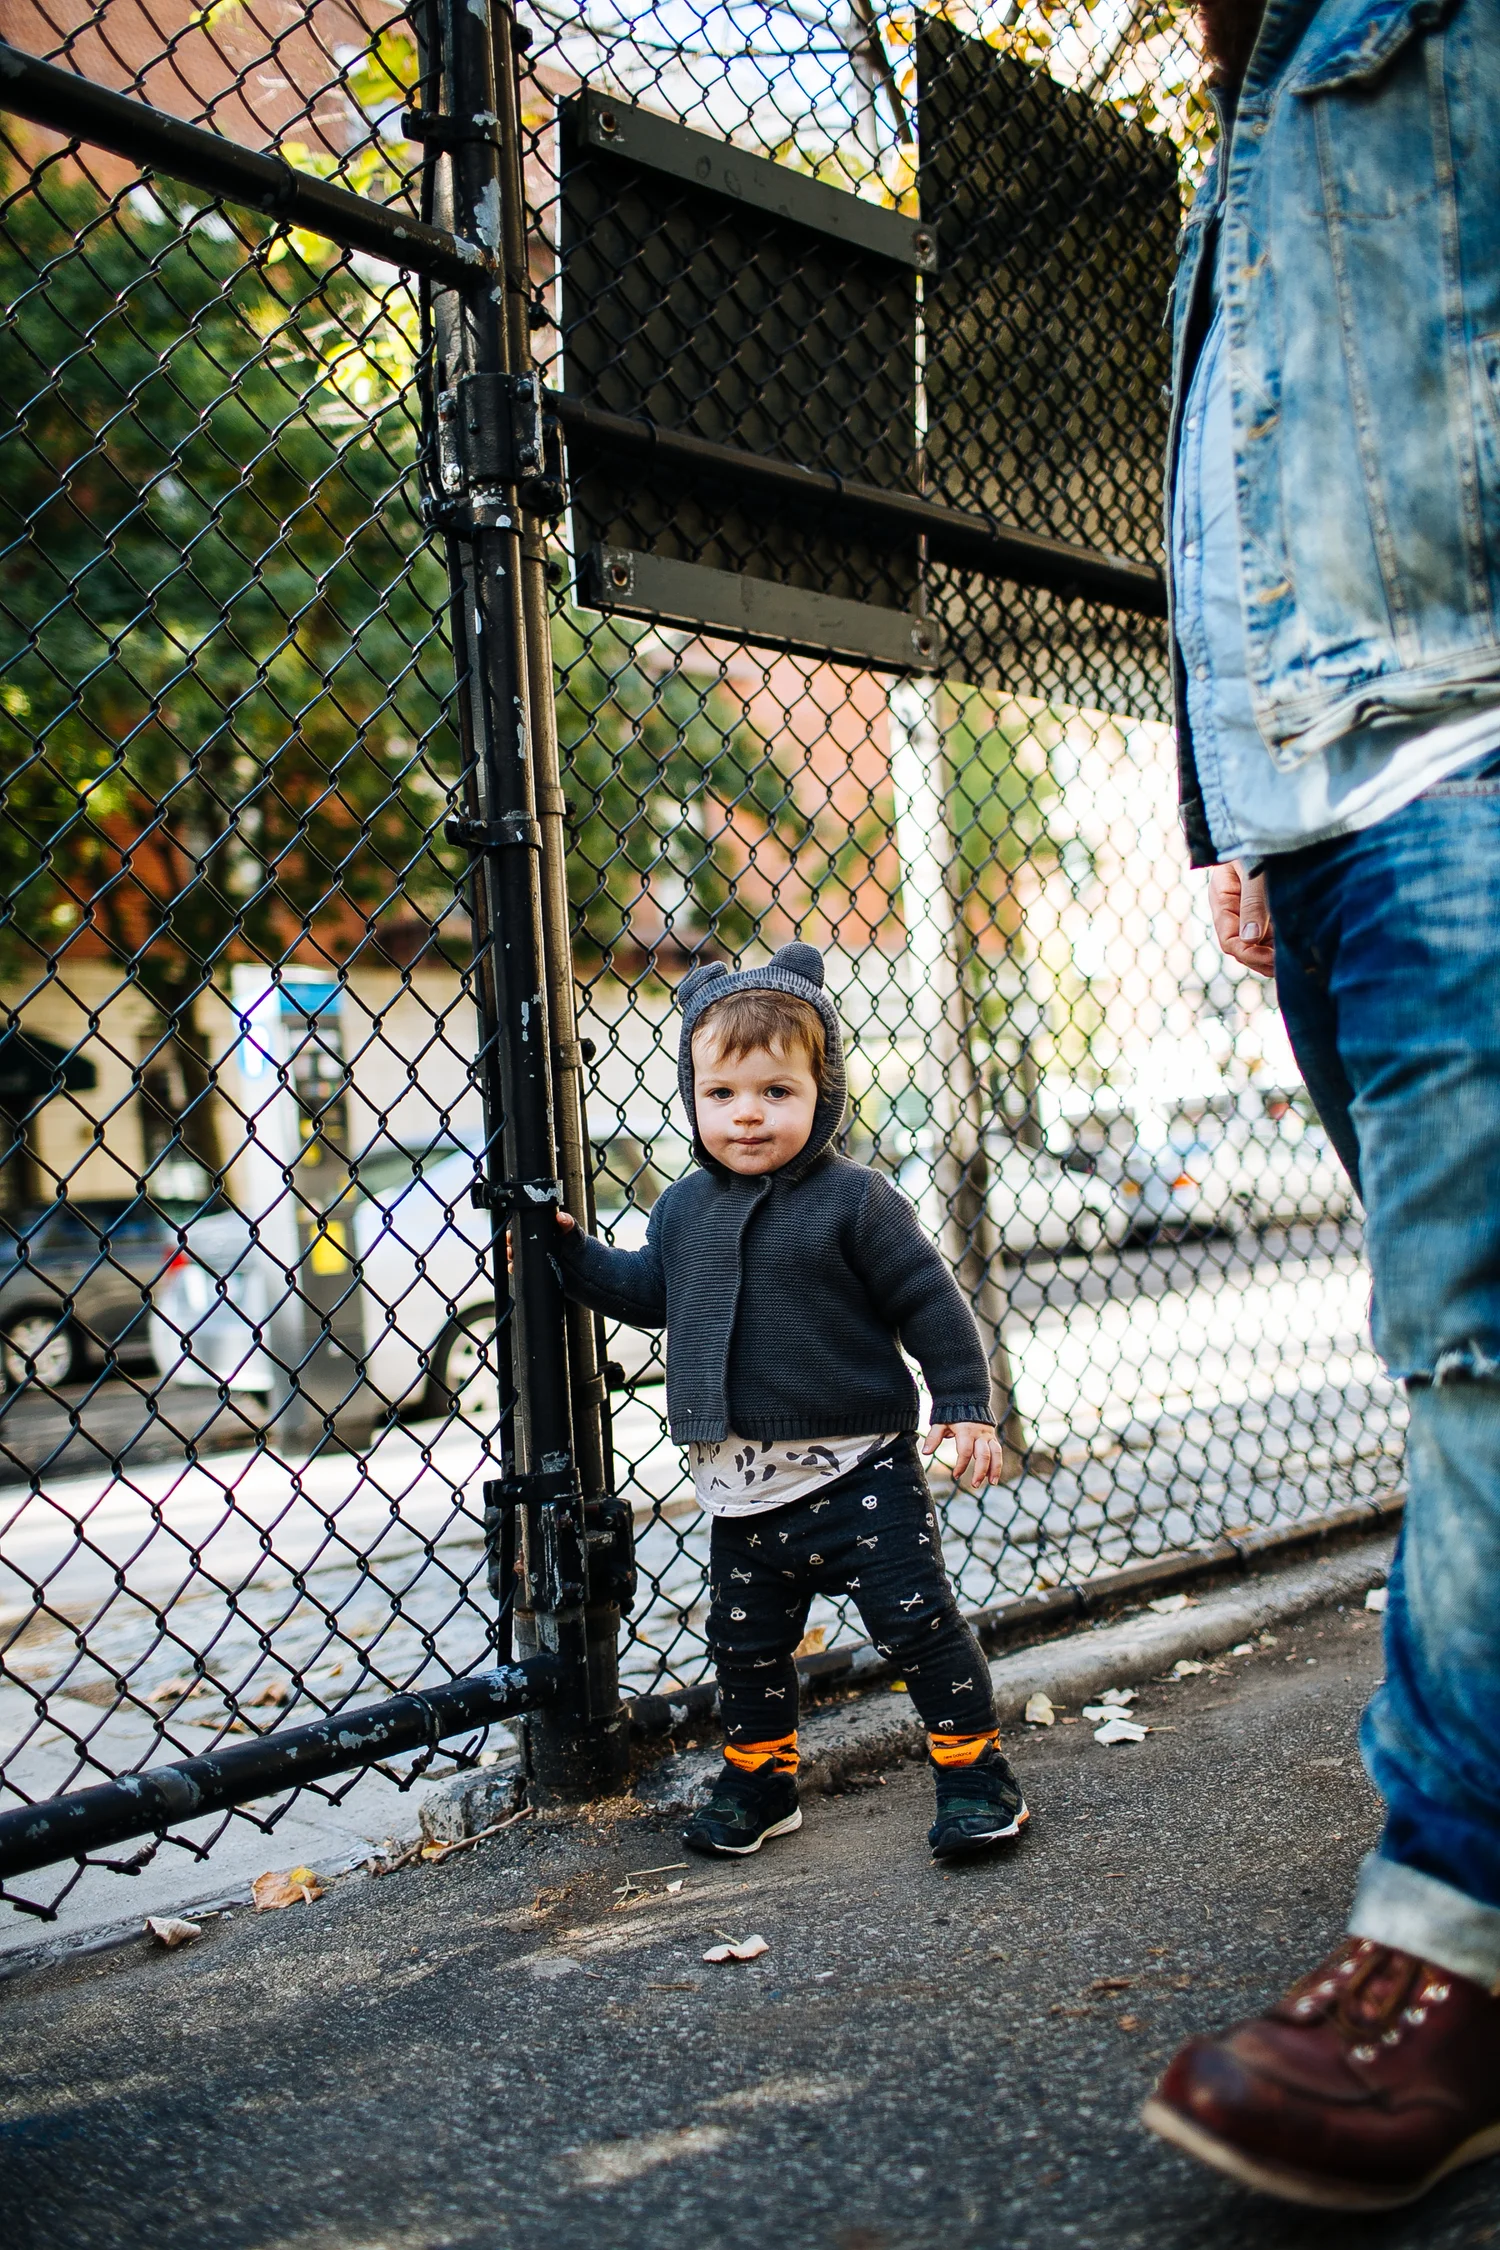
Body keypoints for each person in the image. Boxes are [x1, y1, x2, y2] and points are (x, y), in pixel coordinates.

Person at [1141, 0, 1500, 2210]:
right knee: (1448, 1337)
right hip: (1330, 797)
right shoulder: (1249, 122)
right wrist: (1236, 814)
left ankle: (1444, 1937)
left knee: (1483, 1348)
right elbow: (1242, 484)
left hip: (1471, 737)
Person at [551, 940, 1029, 1862]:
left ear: (823, 1096)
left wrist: (963, 1398)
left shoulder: (856, 1200)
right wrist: (571, 1257)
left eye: (777, 1092)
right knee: (746, 1648)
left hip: (860, 1472)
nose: (748, 1115)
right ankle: (762, 1779)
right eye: (722, 1095)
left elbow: (929, 1299)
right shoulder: (682, 1208)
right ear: (692, 1100)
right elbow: (652, 1293)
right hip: (740, 1492)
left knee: (917, 1624)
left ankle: (974, 1770)